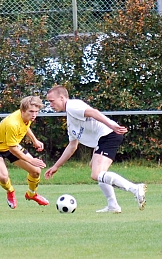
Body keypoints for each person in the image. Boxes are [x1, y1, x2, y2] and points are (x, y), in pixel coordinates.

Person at [44, 85, 146, 213]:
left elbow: (94, 112)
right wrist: (56, 166)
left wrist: (112, 126)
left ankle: (135, 189)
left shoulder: (72, 105)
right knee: (96, 170)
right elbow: (72, 146)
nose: (50, 105)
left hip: (108, 135)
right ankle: (113, 205)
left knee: (96, 174)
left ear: (62, 98)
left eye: (52, 101)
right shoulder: (70, 120)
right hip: (103, 138)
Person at [0, 96, 49, 209]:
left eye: (36, 112)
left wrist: (35, 140)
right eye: (31, 111)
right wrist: (31, 160)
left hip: (9, 144)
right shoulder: (12, 123)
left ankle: (31, 194)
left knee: (36, 171)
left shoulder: (27, 116)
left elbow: (25, 126)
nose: (34, 115)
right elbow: (13, 149)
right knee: (3, 177)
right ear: (22, 111)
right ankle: (10, 191)